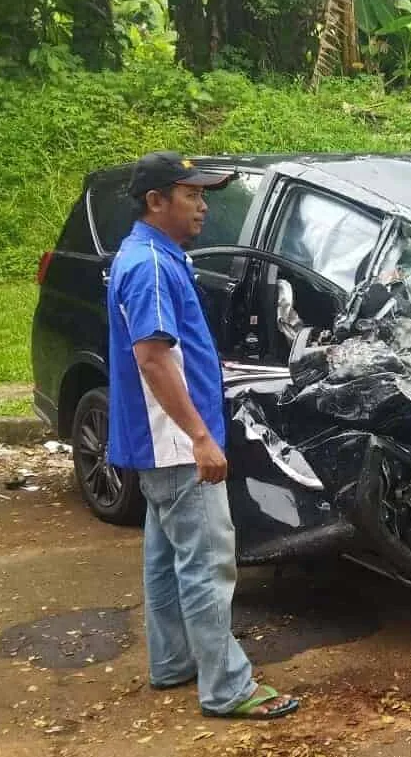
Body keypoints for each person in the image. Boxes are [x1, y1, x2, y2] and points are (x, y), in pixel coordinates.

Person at [106, 150, 299, 720]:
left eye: (204, 194)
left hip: (156, 443)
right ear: (156, 201)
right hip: (174, 443)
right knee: (209, 563)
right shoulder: (153, 267)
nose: (203, 205)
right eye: (191, 195)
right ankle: (228, 688)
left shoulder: (148, 255)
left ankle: (174, 662)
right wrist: (199, 437)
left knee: (167, 558)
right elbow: (154, 357)